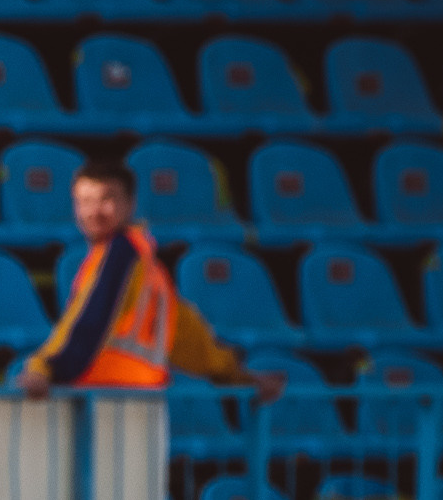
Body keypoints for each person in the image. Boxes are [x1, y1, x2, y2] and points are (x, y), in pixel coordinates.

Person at [18, 159, 287, 404]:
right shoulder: (147, 266)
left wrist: (43, 368)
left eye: (106, 199)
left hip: (101, 406)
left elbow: (88, 326)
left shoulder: (120, 256)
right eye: (84, 201)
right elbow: (189, 338)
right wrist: (240, 376)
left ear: (130, 204)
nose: (93, 211)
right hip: (143, 409)